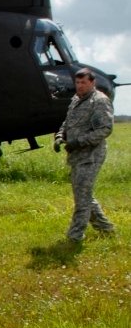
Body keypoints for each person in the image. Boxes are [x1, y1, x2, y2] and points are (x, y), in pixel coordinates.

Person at [54, 67, 115, 241]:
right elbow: (67, 122)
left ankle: (75, 236)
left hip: (91, 156)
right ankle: (106, 229)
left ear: (93, 83)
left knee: (82, 199)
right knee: (84, 195)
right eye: (77, 82)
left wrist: (79, 142)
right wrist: (60, 136)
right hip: (76, 156)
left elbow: (105, 129)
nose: (80, 86)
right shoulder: (75, 100)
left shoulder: (100, 101)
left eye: (84, 83)